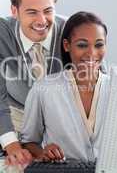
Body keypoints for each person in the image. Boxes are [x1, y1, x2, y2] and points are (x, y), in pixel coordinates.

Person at [21, 11, 109, 162]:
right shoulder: (43, 89)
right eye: (82, 45)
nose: (92, 53)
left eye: (99, 45)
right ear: (67, 46)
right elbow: (28, 142)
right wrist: (43, 152)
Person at [0, 0, 66, 167]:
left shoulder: (72, 30)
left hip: (61, 122)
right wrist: (12, 145)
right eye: (32, 12)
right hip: (16, 119)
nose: (42, 20)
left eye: (48, 11)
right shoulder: (2, 33)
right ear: (15, 11)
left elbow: (100, 83)